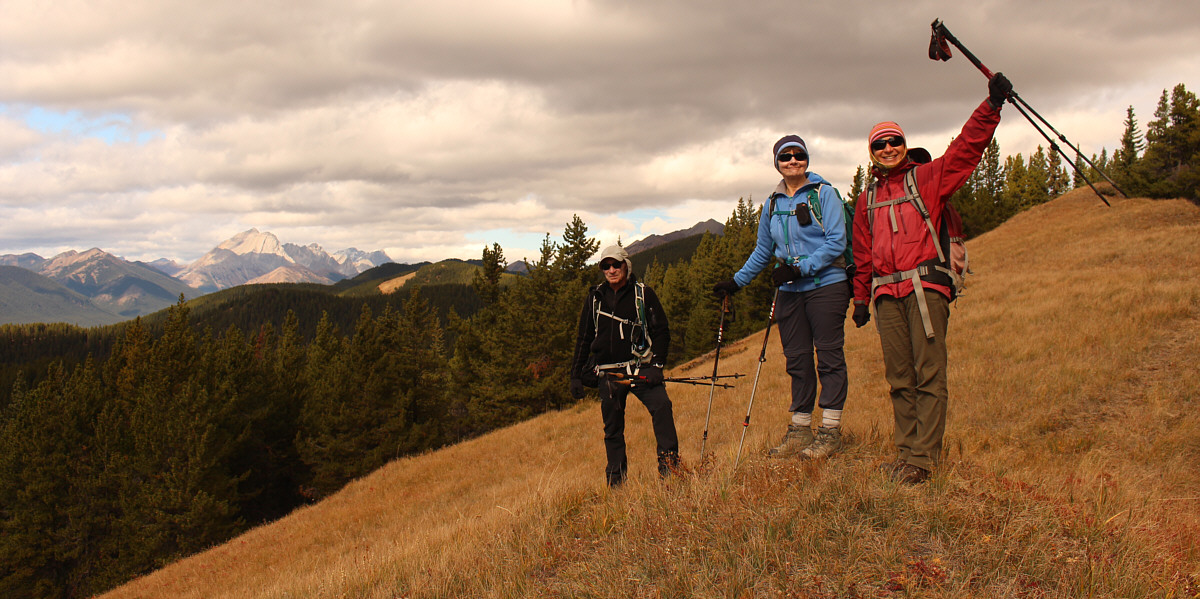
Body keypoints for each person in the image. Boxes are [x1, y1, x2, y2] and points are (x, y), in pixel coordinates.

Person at [851, 73, 1012, 485]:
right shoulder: (866, 199)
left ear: (904, 146)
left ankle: (924, 461)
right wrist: (859, 299)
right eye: (879, 144)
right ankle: (906, 453)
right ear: (871, 152)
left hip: (926, 289)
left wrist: (990, 107)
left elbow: (964, 151)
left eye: (894, 142)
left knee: (929, 376)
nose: (888, 149)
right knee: (899, 379)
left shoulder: (926, 179)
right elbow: (862, 252)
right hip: (886, 293)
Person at [712, 135, 851, 461]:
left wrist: (800, 269)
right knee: (798, 360)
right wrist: (736, 282)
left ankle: (830, 432)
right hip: (790, 292)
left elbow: (836, 241)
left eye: (798, 155)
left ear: (806, 159)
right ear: (777, 162)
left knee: (829, 357)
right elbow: (764, 250)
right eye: (785, 156)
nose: (792, 160)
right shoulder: (773, 203)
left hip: (826, 286)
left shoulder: (823, 193)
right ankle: (800, 430)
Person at [569, 244, 680, 487]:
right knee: (613, 431)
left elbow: (661, 331)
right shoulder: (595, 298)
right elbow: (584, 338)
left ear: (626, 265)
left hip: (641, 369)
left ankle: (671, 472)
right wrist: (575, 375)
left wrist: (657, 367)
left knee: (662, 409)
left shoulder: (644, 294)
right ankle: (616, 485)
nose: (611, 270)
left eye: (616, 264)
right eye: (605, 266)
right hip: (608, 374)